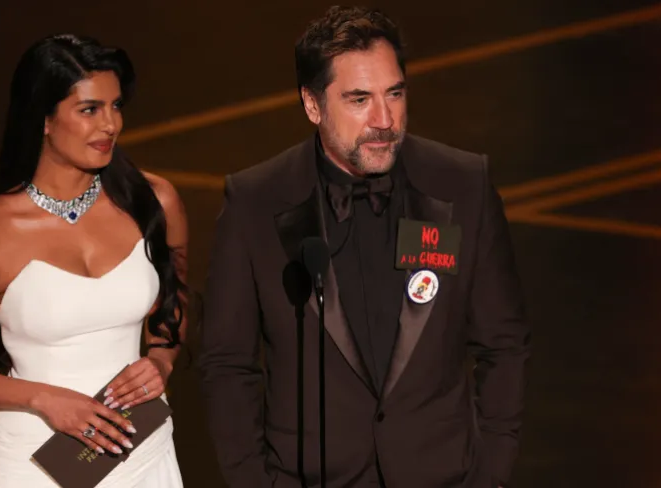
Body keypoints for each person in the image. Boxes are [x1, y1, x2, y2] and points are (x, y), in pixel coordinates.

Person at [199, 6, 529, 488]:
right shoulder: (255, 203)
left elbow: (504, 342)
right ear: (312, 105)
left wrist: (489, 474)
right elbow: (227, 364)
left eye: (394, 94)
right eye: (359, 100)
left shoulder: (462, 184)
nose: (384, 119)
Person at [0, 34, 187, 487]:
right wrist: (45, 399)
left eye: (115, 106)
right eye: (89, 110)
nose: (110, 125)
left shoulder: (153, 202)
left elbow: (174, 303)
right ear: (42, 118)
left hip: (139, 452)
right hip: (31, 462)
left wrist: (161, 360)